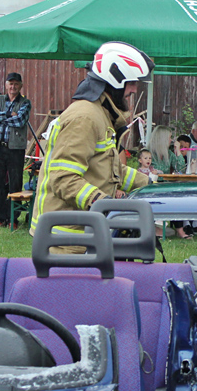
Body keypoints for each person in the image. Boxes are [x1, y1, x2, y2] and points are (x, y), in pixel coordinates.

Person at [30, 41, 153, 253]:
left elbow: (108, 169)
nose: (134, 89)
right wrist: (103, 203)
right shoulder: (85, 117)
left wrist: (150, 183)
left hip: (82, 238)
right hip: (66, 242)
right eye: (132, 82)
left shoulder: (100, 115)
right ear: (114, 80)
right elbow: (63, 179)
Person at [0, 72, 32, 229]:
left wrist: (2, 117)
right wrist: (8, 114)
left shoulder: (25, 103)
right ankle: (0, 217)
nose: (13, 87)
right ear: (6, 85)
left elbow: (20, 120)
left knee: (15, 184)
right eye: (10, 84)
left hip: (15, 149)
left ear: (21, 85)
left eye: (16, 84)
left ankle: (13, 218)